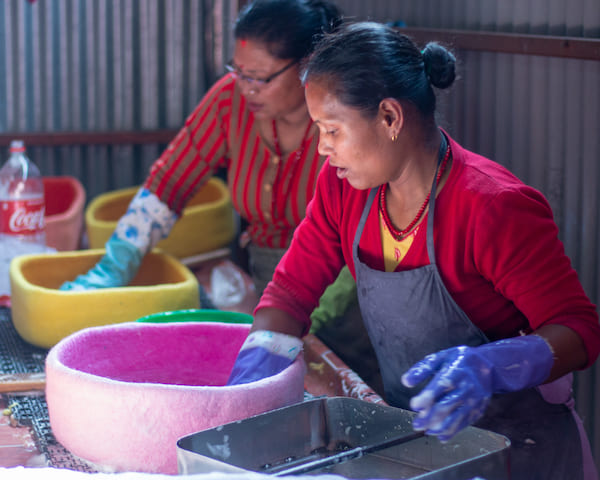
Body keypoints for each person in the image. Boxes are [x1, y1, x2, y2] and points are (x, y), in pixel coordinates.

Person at [227, 21, 600, 480]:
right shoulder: (344, 190)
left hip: (521, 450)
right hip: (424, 447)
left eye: (332, 129)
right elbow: (290, 292)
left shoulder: (492, 207)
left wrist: (490, 367)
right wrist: (257, 363)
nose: (322, 148)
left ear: (389, 117)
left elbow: (579, 330)